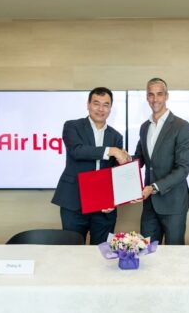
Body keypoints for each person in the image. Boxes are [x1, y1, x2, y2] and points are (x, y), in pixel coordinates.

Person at [52, 87, 130, 244]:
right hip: (74, 201)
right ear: (88, 105)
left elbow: (116, 172)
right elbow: (77, 151)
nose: (101, 109)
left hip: (104, 205)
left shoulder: (116, 136)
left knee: (102, 252)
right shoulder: (72, 126)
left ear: (110, 108)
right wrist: (111, 150)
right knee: (72, 249)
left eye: (106, 105)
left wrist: (126, 161)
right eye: (96, 103)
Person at [133, 77, 189, 245]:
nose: (155, 99)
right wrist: (123, 158)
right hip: (149, 205)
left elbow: (183, 169)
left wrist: (153, 188)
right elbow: (140, 159)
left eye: (159, 94)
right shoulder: (144, 127)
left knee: (174, 252)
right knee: (147, 251)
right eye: (151, 95)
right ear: (147, 97)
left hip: (173, 203)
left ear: (166, 96)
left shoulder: (182, 126)